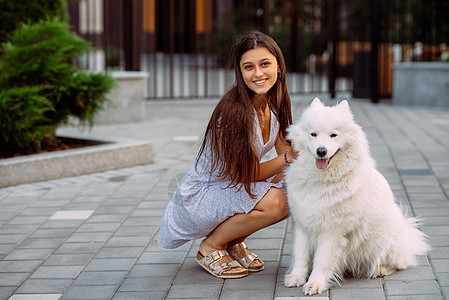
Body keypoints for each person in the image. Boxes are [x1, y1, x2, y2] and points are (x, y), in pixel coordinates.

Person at [158, 31, 296, 279]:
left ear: (278, 66)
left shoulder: (275, 101)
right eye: (249, 67)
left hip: (230, 189)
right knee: (278, 201)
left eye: (265, 64)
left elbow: (286, 150)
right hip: (201, 197)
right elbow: (250, 173)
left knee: (294, 190)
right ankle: (210, 247)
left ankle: (232, 242)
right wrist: (287, 160)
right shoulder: (233, 110)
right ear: (240, 72)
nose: (258, 74)